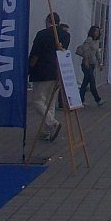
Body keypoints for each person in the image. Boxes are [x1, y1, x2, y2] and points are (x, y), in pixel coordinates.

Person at [29, 12, 70, 141]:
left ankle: (52, 123)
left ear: (48, 20)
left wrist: (29, 68)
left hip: (42, 71)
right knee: (50, 103)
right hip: (57, 71)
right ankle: (47, 131)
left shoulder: (42, 34)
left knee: (37, 100)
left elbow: (35, 54)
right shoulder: (65, 35)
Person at [77, 26, 104, 106]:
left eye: (98, 31)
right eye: (95, 31)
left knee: (85, 82)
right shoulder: (89, 39)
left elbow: (97, 53)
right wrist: (86, 60)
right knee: (92, 82)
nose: (97, 33)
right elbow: (85, 49)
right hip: (87, 64)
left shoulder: (96, 41)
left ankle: (81, 99)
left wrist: (100, 63)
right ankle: (98, 99)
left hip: (92, 64)